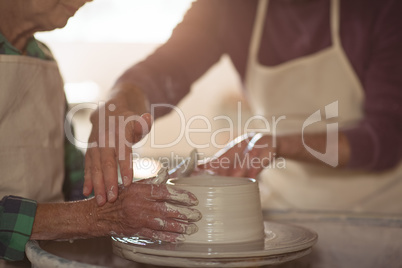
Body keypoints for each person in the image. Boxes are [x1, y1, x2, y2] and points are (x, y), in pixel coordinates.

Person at [85, 0, 402, 266]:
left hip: (378, 218)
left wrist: (272, 144)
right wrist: (118, 103)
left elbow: (386, 137)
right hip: (285, 210)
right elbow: (163, 70)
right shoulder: (229, 7)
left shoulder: (383, 8)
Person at [0, 0, 201, 265]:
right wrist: (99, 216)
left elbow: (75, 184)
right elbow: (89, 213)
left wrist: (129, 196)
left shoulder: (43, 60)